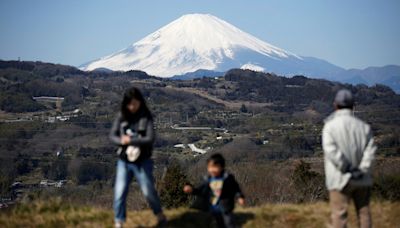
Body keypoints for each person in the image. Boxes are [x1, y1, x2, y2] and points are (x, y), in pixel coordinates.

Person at [109, 87, 166, 228]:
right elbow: (112, 136)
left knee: (148, 191)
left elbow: (150, 138)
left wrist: (130, 140)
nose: (132, 107)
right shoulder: (121, 116)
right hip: (124, 160)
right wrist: (121, 141)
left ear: (140, 102)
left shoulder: (146, 117)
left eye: (134, 103)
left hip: (143, 161)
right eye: (129, 104)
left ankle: (159, 214)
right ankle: (119, 222)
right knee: (120, 191)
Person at [322, 89, 377, 228]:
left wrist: (347, 167)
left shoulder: (330, 127)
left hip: (339, 178)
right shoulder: (364, 128)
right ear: (353, 105)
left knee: (340, 216)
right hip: (362, 179)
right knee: (364, 213)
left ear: (335, 105)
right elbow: (370, 152)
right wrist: (362, 170)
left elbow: (331, 151)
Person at [183, 153, 245, 228]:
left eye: (215, 167)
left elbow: (236, 188)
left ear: (221, 167)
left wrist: (240, 197)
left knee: (228, 223)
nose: (212, 169)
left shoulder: (227, 178)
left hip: (225, 208)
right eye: (209, 167)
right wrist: (192, 190)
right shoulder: (208, 179)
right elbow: (201, 191)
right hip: (211, 208)